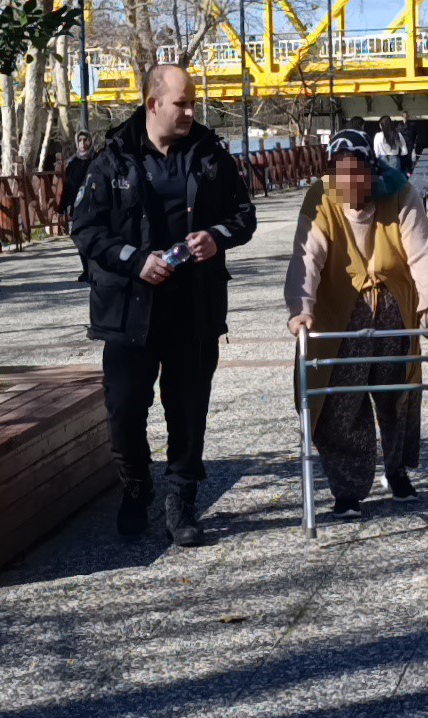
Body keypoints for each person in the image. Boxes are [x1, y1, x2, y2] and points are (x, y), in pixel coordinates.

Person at [71, 64, 256, 547]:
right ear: (153, 104)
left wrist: (217, 237)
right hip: (130, 310)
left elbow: (243, 215)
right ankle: (136, 488)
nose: (191, 112)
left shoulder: (210, 154)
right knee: (125, 409)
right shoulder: (113, 157)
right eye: (182, 103)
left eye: (193, 102)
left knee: (188, 408)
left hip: (194, 307)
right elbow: (86, 230)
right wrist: (135, 261)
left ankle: (181, 500)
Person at [284, 129, 428, 519]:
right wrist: (300, 309)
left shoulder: (400, 193)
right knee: (341, 403)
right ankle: (347, 490)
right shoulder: (321, 197)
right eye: (339, 176)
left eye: (356, 175)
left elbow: (421, 253)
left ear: (371, 171)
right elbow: (307, 256)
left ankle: (396, 471)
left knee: (399, 395)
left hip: (393, 308)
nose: (349, 186)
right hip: (340, 313)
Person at [64, 131, 97, 282]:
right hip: (77, 205)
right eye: (80, 141)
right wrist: (65, 206)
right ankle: (85, 269)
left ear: (90, 141)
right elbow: (68, 186)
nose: (83, 144)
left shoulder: (97, 160)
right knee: (80, 238)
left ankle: (93, 270)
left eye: (85, 140)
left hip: (94, 204)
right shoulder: (72, 163)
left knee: (94, 237)